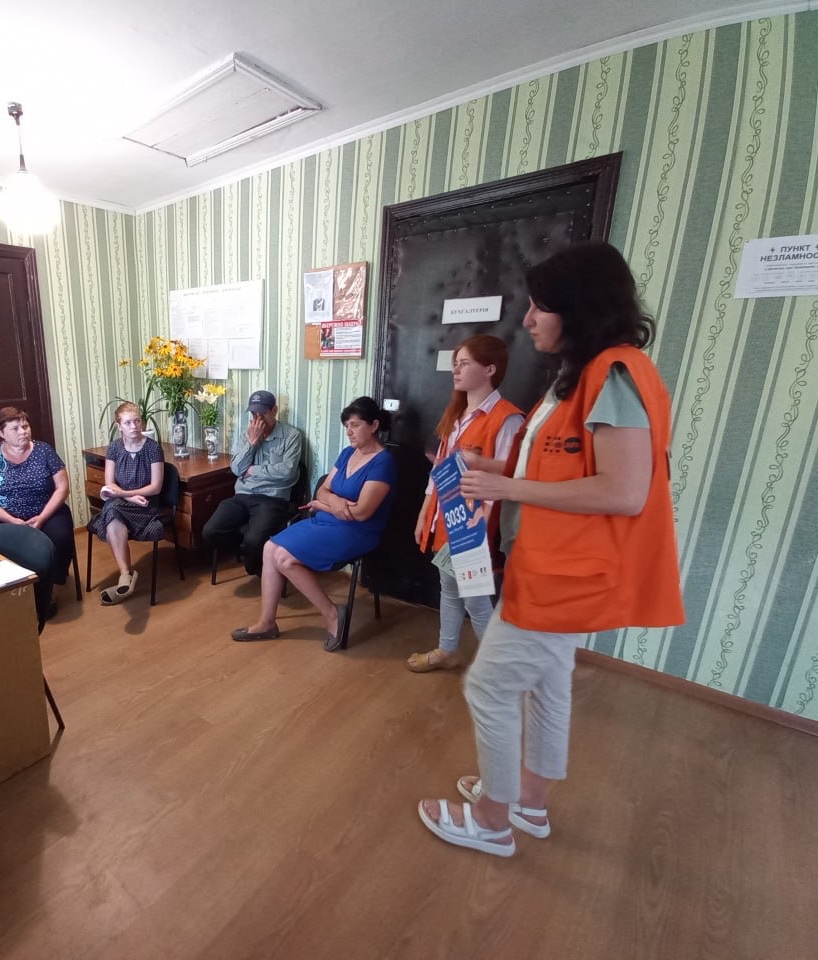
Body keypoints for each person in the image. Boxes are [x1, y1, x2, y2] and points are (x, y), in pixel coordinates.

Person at [417, 242, 684, 856]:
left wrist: (507, 487)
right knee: (548, 683)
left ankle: (491, 819)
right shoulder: (582, 376)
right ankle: (529, 804)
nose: (529, 320)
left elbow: (623, 491)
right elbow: (559, 464)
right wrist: (493, 466)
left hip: (563, 575)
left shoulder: (614, 375)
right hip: (554, 564)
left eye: (541, 307)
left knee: (488, 687)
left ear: (579, 308)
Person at [230, 396, 396, 652]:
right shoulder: (348, 453)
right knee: (269, 548)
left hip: (358, 531)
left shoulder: (383, 462)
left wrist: (324, 505)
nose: (349, 432)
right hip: (327, 521)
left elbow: (362, 513)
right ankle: (267, 623)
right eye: (346, 426)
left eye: (355, 425)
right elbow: (323, 490)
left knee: (284, 558)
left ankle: (332, 614)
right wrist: (334, 502)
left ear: (374, 425)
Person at [407, 335, 524, 672]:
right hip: (447, 516)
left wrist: (478, 464)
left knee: (475, 600)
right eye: (455, 364)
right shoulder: (456, 414)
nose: (456, 370)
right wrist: (424, 513)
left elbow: (515, 474)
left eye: (464, 363)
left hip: (475, 524)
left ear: (490, 369)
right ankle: (447, 650)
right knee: (448, 586)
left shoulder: (508, 418)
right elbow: (438, 471)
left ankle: (495, 670)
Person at [0, 406, 75, 626]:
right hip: (4, 516)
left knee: (61, 537)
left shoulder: (44, 451)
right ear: (1, 433)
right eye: (15, 428)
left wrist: (42, 517)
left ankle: (51, 592)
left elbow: (62, 488)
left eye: (25, 426)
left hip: (45, 511)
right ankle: (12, 591)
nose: (23, 432)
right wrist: (12, 521)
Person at [201, 390, 304, 577]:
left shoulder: (292, 436)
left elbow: (287, 471)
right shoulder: (246, 435)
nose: (258, 419)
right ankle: (249, 554)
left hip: (272, 499)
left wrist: (252, 471)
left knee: (254, 540)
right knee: (211, 531)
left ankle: (256, 566)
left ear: (274, 411)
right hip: (243, 495)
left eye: (262, 413)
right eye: (254, 414)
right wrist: (252, 442)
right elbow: (236, 469)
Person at [88, 402, 165, 605]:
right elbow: (110, 483)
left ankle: (126, 578)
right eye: (128, 422)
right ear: (119, 425)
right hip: (122, 501)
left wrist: (124, 494)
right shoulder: (114, 448)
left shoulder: (153, 448)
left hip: (146, 505)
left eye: (137, 421)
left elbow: (156, 487)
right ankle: (125, 574)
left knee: (112, 512)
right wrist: (127, 496)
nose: (134, 426)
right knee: (113, 512)